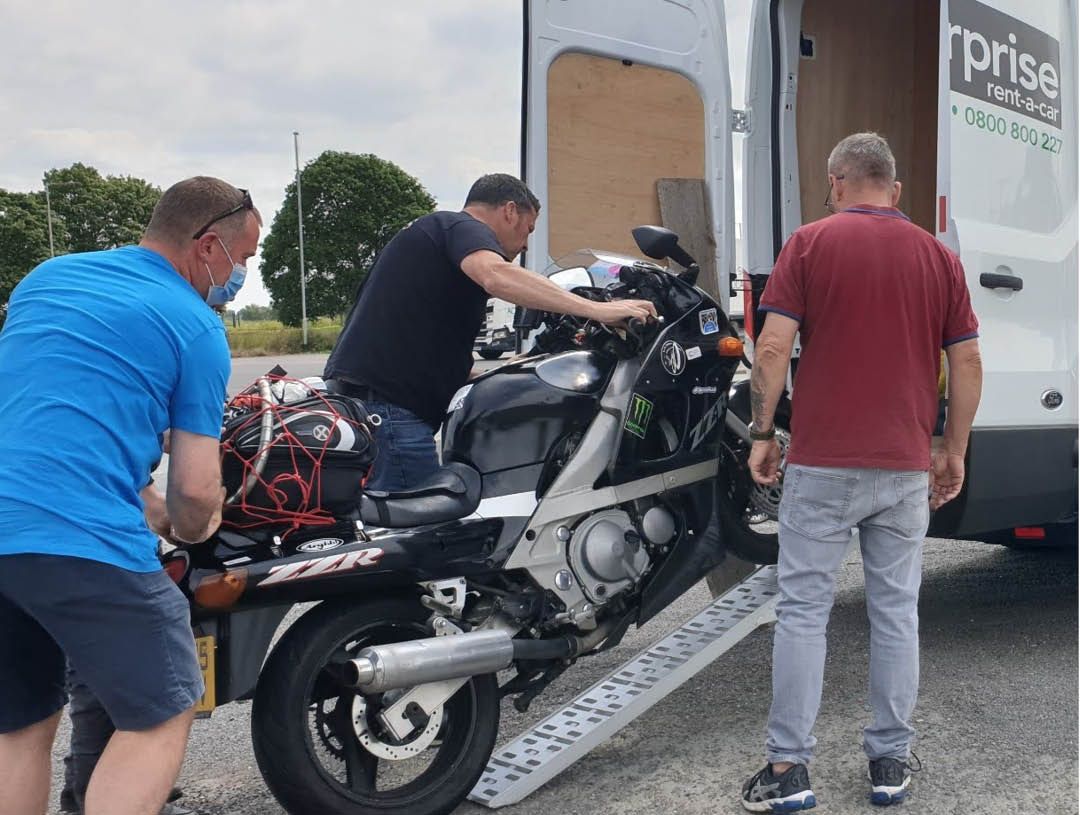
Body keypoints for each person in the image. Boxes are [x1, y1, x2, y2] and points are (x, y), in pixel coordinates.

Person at [0, 178, 260, 815]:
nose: (242, 275)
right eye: (244, 259)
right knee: (165, 705)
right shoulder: (195, 327)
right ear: (207, 248)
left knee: (21, 726)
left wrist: (145, 498)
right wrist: (191, 528)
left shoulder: (48, 277)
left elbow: (52, 416)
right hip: (77, 540)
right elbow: (197, 493)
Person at [739, 133, 982, 811]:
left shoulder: (809, 243)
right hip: (904, 468)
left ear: (837, 181)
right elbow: (966, 363)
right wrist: (952, 446)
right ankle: (888, 762)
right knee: (896, 613)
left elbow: (774, 343)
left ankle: (788, 770)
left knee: (804, 614)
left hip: (819, 463)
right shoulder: (939, 256)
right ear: (895, 190)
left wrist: (763, 432)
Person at [323, 173, 657, 492]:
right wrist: (600, 310)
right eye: (528, 230)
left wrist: (502, 373)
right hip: (389, 412)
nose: (526, 245)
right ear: (509, 211)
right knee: (418, 534)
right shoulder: (459, 226)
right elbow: (496, 275)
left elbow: (422, 335)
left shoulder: (433, 239)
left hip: (372, 404)